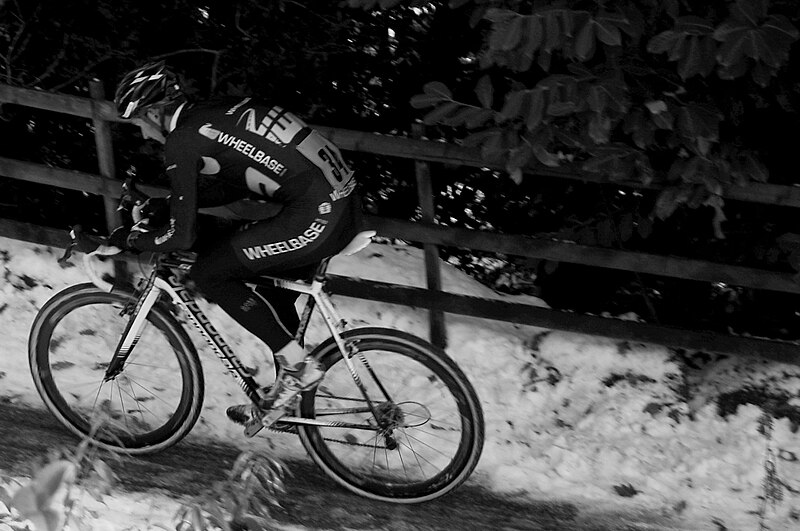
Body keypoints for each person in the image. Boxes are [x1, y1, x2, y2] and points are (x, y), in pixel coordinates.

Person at [111, 61, 363, 432]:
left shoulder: (183, 139)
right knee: (271, 289)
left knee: (210, 272)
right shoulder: (215, 113)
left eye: (139, 124)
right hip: (347, 206)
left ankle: (298, 367)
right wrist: (168, 206)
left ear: (152, 112)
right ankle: (286, 394)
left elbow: (182, 238)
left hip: (317, 214)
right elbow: (236, 181)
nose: (144, 135)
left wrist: (133, 239)